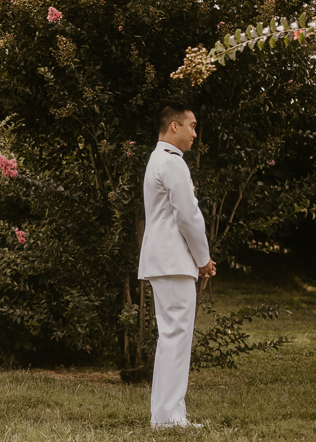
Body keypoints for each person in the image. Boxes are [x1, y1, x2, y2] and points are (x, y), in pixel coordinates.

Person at [138, 100, 216, 428]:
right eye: (192, 126)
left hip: (165, 260)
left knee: (172, 336)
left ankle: (168, 414)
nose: (195, 133)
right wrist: (203, 259)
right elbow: (188, 216)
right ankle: (169, 417)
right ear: (174, 126)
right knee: (176, 335)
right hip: (174, 261)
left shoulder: (159, 159)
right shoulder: (172, 162)